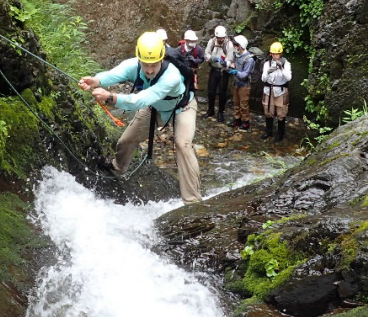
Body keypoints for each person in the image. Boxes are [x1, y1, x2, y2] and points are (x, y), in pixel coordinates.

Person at [79, 31, 201, 203]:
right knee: (126, 141)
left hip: (183, 107)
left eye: (154, 65)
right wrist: (96, 81)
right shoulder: (133, 65)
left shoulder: (171, 76)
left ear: (161, 59)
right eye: (146, 65)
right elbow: (114, 74)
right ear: (140, 59)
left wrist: (111, 98)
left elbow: (140, 100)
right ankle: (116, 169)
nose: (150, 70)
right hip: (155, 107)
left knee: (183, 145)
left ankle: (193, 201)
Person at [260, 41, 292, 142]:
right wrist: (269, 71)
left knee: (281, 113)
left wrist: (281, 68)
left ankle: (280, 134)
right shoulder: (267, 63)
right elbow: (263, 79)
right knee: (268, 110)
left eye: (277, 54)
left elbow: (288, 78)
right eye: (273, 54)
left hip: (281, 91)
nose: (275, 56)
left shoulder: (286, 63)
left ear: (280, 54)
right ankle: (268, 131)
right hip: (269, 90)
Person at [203, 25, 235, 121]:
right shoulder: (212, 41)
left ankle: (221, 112)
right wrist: (211, 58)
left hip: (223, 71)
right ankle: (210, 110)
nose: (221, 40)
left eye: (222, 38)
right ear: (216, 37)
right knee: (211, 91)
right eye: (219, 38)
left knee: (222, 93)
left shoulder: (228, 44)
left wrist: (226, 63)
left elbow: (230, 58)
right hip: (214, 69)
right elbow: (206, 53)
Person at [230, 34, 255, 131]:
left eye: (236, 45)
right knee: (236, 102)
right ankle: (237, 119)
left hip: (244, 85)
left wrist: (236, 72)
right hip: (236, 83)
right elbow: (234, 64)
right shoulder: (236, 55)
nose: (234, 47)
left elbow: (245, 74)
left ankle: (245, 122)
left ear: (241, 46)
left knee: (243, 104)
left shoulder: (249, 59)